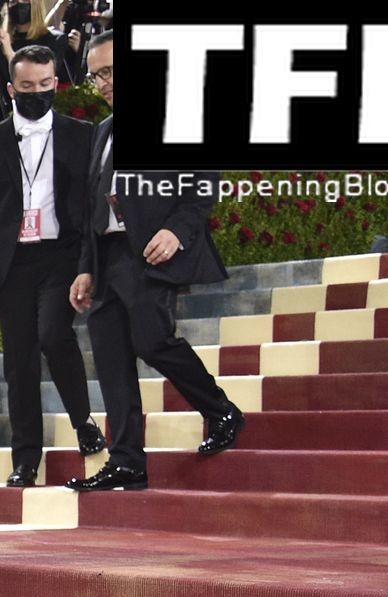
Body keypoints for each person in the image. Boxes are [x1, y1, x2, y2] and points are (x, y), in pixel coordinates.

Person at [68, 31, 243, 491]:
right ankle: (126, 460)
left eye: (109, 71)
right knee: (110, 359)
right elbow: (92, 207)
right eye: (95, 76)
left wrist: (177, 231)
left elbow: (204, 182)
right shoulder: (102, 131)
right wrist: (85, 266)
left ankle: (221, 410)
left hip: (147, 253)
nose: (102, 83)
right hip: (106, 257)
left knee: (151, 341)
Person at [0, 44, 103, 487]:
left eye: (45, 84)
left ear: (55, 82)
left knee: (54, 334)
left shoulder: (83, 135)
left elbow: (95, 205)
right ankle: (26, 460)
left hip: (62, 256)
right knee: (19, 364)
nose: (37, 92)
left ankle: (82, 421)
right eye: (27, 86)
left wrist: (90, 263)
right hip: (12, 264)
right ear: (10, 88)